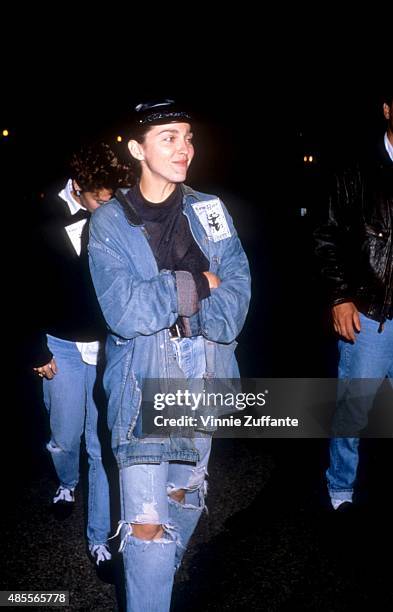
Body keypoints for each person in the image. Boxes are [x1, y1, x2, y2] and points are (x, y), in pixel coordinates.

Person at [88, 99, 251, 611]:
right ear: (138, 149)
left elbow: (238, 293)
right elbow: (127, 311)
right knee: (146, 524)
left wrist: (187, 309)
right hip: (142, 378)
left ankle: (157, 572)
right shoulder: (109, 222)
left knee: (185, 492)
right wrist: (200, 281)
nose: (185, 149)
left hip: (204, 367)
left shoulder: (210, 210)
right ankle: (150, 581)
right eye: (169, 138)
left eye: (187, 137)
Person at [26, 142, 132, 571]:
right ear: (78, 187)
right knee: (65, 436)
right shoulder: (42, 213)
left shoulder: (119, 210)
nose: (108, 206)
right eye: (100, 199)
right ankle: (66, 483)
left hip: (107, 345)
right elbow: (20, 283)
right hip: (61, 346)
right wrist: (34, 346)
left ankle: (99, 540)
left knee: (100, 444)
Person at [314, 89, 393, 511]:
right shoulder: (354, 169)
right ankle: (340, 489)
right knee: (352, 411)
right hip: (369, 313)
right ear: (386, 109)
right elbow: (327, 236)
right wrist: (340, 296)